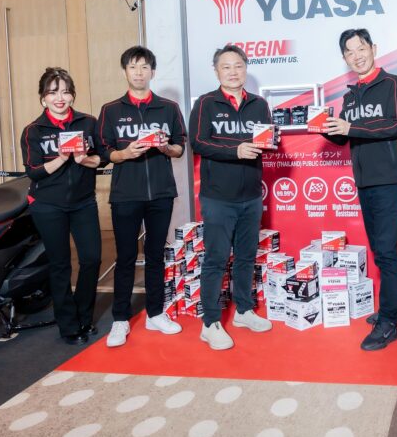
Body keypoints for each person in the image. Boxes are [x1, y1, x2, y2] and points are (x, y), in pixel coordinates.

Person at [323, 28, 397, 351]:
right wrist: (326, 127)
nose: (356, 56)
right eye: (349, 52)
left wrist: (351, 126)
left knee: (385, 250)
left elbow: (395, 124)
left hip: (388, 177)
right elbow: (345, 136)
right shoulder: (350, 96)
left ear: (373, 48)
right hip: (364, 180)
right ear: (344, 58)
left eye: (361, 48)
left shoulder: (392, 83)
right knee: (381, 248)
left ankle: (389, 322)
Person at [98, 46, 187, 347]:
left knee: (155, 255)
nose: (139, 72)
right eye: (133, 67)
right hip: (125, 194)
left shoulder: (168, 108)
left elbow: (179, 147)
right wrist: (124, 153)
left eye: (144, 67)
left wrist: (165, 148)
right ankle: (120, 319)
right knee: (125, 257)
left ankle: (155, 313)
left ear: (153, 72)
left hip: (161, 193)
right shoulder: (111, 110)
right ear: (125, 71)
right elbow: (104, 151)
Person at [188, 44, 273, 350]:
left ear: (245, 68)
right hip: (218, 197)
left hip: (251, 195)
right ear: (216, 71)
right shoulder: (206, 103)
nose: (233, 72)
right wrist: (235, 150)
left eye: (238, 66)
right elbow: (198, 142)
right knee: (216, 259)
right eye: (226, 67)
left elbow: (266, 140)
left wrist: (269, 142)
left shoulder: (259, 105)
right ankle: (210, 323)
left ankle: (244, 311)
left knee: (247, 256)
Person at [20, 67, 103, 346]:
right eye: (53, 92)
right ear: (43, 98)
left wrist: (84, 159)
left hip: (83, 203)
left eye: (65, 92)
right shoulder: (33, 130)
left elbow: (102, 158)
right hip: (48, 205)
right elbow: (33, 172)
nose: (60, 98)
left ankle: (84, 316)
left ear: (73, 95)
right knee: (60, 264)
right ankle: (68, 325)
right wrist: (62, 157)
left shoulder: (88, 123)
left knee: (91, 259)